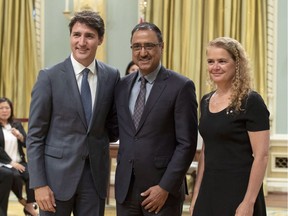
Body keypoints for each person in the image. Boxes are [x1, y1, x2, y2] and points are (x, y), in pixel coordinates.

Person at [26, 11, 120, 216]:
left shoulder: (111, 76)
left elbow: (112, 127)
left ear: (100, 39)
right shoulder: (49, 77)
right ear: (70, 37)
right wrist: (39, 183)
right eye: (77, 34)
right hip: (54, 181)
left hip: (94, 180)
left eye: (89, 36)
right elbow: (34, 136)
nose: (82, 42)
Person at [114, 22, 198, 216]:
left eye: (149, 46)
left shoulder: (181, 86)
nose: (142, 52)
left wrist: (165, 187)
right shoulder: (122, 86)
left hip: (161, 193)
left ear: (162, 47)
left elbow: (187, 144)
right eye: (137, 46)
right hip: (125, 191)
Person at [190, 37, 270, 216]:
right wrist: (196, 195)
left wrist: (248, 202)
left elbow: (262, 156)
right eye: (211, 61)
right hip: (209, 189)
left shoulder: (251, 101)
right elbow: (206, 150)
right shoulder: (206, 101)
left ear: (237, 64)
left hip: (239, 189)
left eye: (222, 61)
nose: (215, 67)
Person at [0, 97, 38, 216]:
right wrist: (11, 163)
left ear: (11, 109)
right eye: (1, 108)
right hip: (3, 163)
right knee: (13, 175)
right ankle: (22, 200)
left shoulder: (16, 124)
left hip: (19, 162)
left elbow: (27, 143)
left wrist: (20, 136)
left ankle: (29, 205)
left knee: (32, 174)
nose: (4, 110)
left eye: (7, 107)